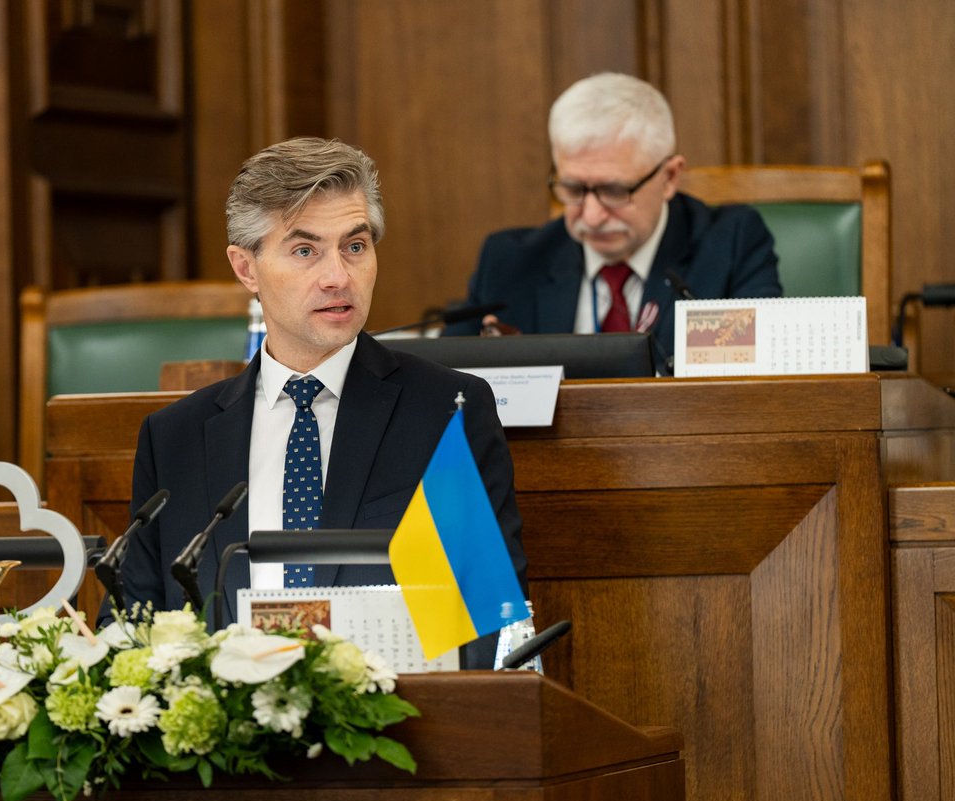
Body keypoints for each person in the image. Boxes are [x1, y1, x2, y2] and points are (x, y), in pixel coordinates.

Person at [105, 137, 526, 669]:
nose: (338, 277)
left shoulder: (445, 411)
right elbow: (129, 629)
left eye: (355, 246)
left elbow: (487, 624)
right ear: (245, 268)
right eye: (305, 251)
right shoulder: (176, 439)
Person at [446, 72, 783, 361]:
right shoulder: (510, 262)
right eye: (574, 189)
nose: (592, 217)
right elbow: (448, 384)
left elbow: (758, 378)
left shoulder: (732, 244)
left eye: (614, 191)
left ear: (669, 178)